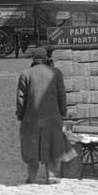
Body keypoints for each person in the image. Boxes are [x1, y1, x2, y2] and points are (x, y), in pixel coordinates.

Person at [16, 47, 68, 184]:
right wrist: (63, 112)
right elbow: (61, 95)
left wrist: (20, 115)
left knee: (31, 145)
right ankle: (51, 176)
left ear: (33, 59)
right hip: (52, 116)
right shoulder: (56, 73)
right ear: (46, 58)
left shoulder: (25, 74)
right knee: (51, 143)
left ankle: (31, 177)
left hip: (31, 116)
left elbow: (21, 98)